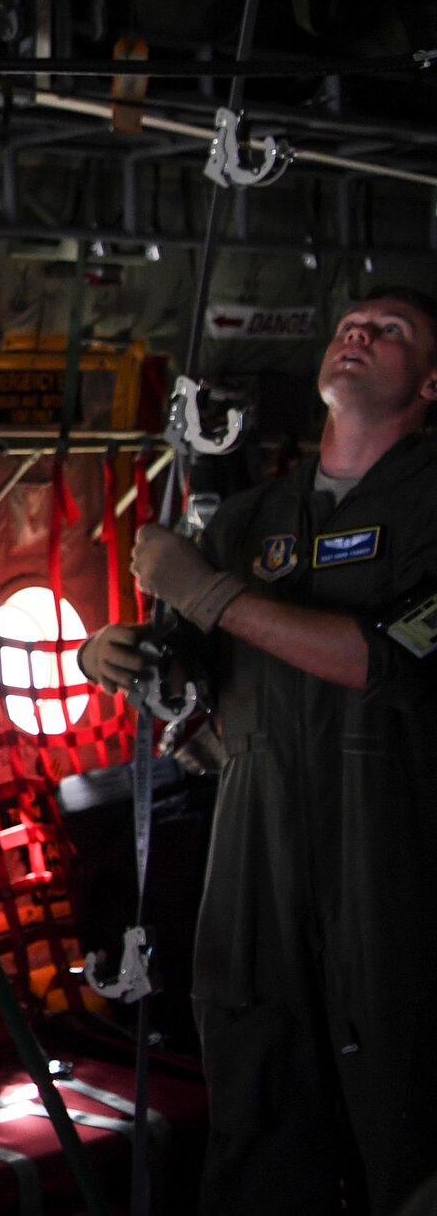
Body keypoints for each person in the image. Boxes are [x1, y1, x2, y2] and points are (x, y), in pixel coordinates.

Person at [79, 288, 437, 1214]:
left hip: (395, 862)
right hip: (258, 871)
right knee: (262, 1109)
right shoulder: (249, 523)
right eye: (350, 322)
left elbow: (391, 662)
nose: (357, 332)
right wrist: (119, 655)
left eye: (389, 330)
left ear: (432, 380)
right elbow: (195, 680)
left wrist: (211, 596)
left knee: (410, 1114)